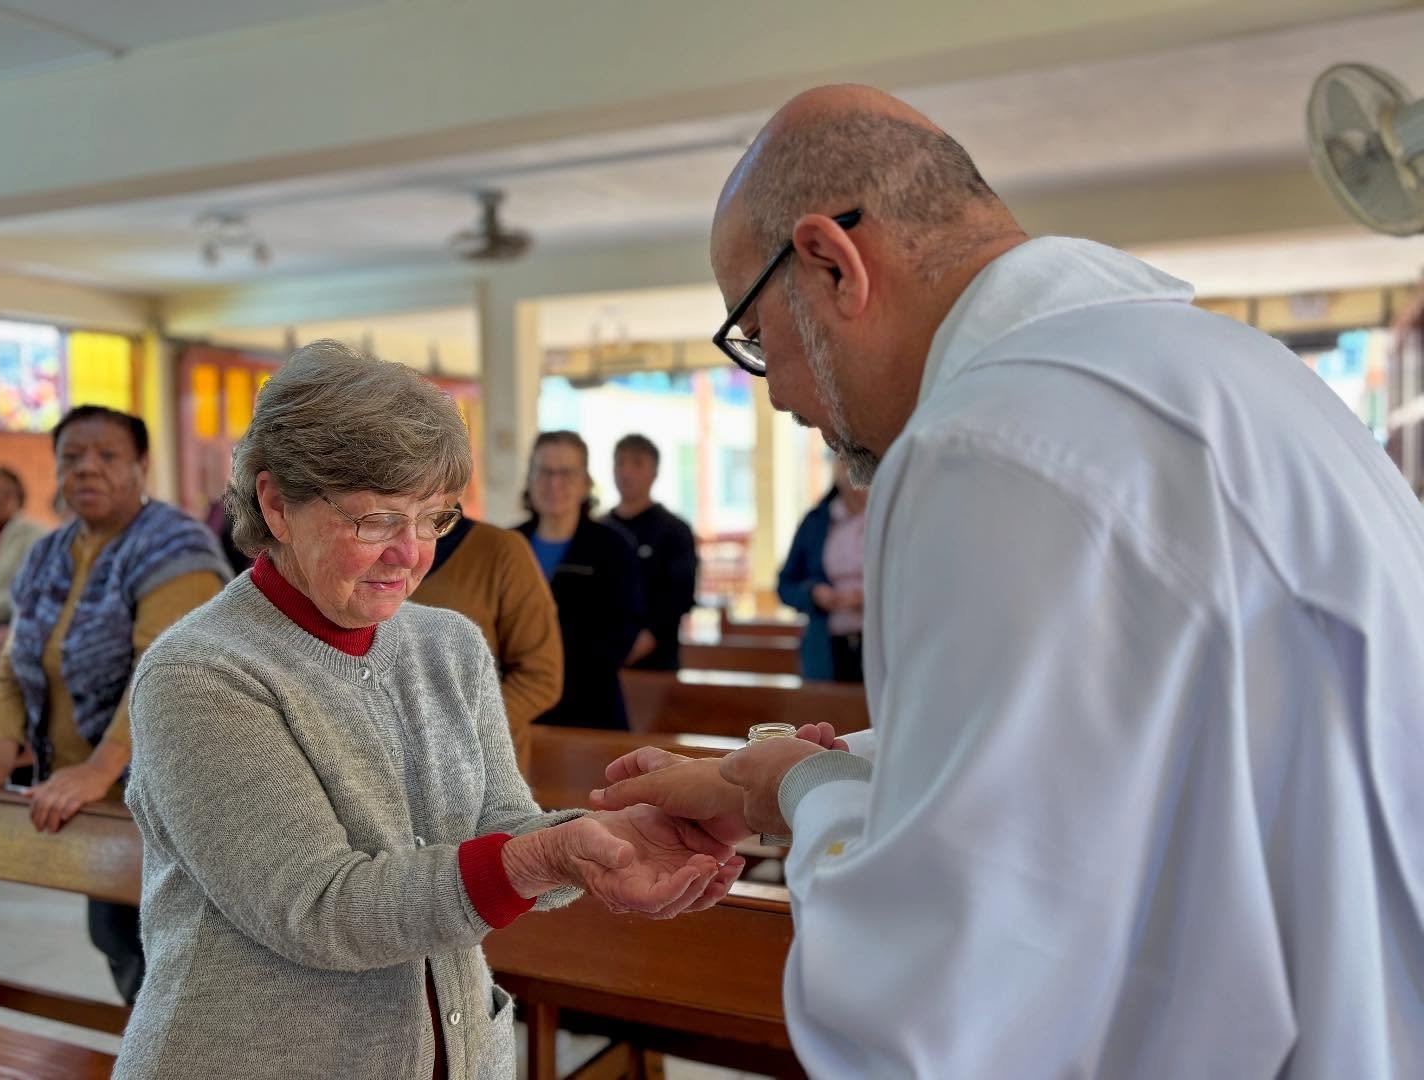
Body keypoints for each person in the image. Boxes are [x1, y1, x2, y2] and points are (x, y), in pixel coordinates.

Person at [592, 85, 1424, 1076]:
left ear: (829, 262)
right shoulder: (1220, 369)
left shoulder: (992, 443)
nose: (771, 392)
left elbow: (948, 990)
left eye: (757, 338)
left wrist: (811, 790)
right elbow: (1130, 735)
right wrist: (756, 783)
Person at [112, 344, 742, 1080]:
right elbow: (317, 905)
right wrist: (537, 859)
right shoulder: (201, 673)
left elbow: (497, 824)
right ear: (278, 504)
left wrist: (601, 839)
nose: (409, 555)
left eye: (434, 519)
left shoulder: (450, 645)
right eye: (376, 520)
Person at [0, 406, 230, 1006]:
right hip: (105, 797)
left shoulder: (177, 549)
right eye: (71, 456)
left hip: (181, 793)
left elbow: (163, 675)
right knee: (119, 933)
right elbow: (15, 663)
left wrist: (98, 768)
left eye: (108, 455)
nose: (87, 469)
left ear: (141, 465)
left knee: (180, 951)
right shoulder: (50, 552)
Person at [410, 510, 564, 771]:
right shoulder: (371, 546)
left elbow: (541, 677)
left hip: (480, 770)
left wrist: (455, 731)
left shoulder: (502, 551)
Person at [516, 431, 645, 730]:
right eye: (545, 472)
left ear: (585, 483)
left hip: (590, 708)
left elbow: (624, 630)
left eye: (566, 473)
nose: (554, 483)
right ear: (531, 478)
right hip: (520, 709)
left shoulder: (613, 546)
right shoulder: (509, 543)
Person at [607, 433, 698, 671]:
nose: (626, 471)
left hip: (657, 663)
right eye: (620, 462)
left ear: (654, 473)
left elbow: (679, 596)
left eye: (637, 463)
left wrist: (644, 641)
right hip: (602, 660)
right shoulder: (598, 530)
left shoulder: (674, 531)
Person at [776, 456, 867, 681]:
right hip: (827, 645)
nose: (849, 472)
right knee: (829, 710)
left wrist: (868, 596)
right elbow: (785, 585)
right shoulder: (816, 521)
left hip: (879, 639)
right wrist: (814, 593)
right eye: (844, 462)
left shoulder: (892, 516)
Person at [0, 466, 46, 631]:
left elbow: (32, 586)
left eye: (6, 493)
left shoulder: (34, 535)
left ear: (19, 497)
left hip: (5, 625)